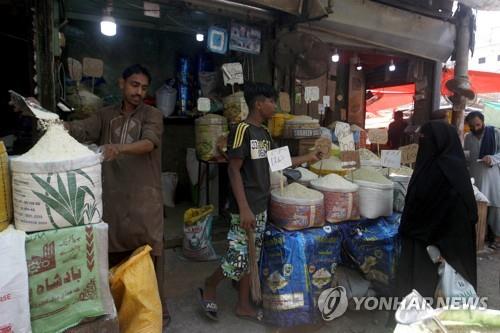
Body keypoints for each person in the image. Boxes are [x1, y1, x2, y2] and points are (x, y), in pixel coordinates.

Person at [199, 83, 321, 322]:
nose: (274, 106)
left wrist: (309, 157)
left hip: (260, 204)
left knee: (250, 257)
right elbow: (234, 171)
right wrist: (244, 208)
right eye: (271, 101)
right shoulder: (241, 130)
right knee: (237, 257)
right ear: (258, 103)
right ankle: (210, 285)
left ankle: (243, 304)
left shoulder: (264, 133)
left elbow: (277, 161)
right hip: (243, 207)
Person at [64, 64, 169, 326]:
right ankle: (119, 309)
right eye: (134, 85)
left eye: (144, 87)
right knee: (112, 255)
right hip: (112, 198)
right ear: (121, 84)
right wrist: (56, 124)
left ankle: (158, 311)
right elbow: (81, 129)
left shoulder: (153, 114)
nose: (139, 92)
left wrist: (118, 148)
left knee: (149, 255)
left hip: (144, 199)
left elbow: (148, 142)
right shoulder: (104, 115)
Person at [396, 121, 477, 299]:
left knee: (424, 288)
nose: (422, 142)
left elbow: (451, 209)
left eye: (426, 138)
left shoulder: (439, 170)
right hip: (441, 242)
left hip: (436, 244)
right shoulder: (453, 167)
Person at [464, 111, 500, 249]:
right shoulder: (468, 137)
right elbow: (467, 156)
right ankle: (480, 236)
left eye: (478, 125)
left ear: (483, 122)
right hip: (475, 176)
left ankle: (497, 237)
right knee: (478, 206)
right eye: (472, 126)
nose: (476, 129)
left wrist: (493, 158)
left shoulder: (495, 133)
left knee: (496, 206)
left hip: (493, 176)